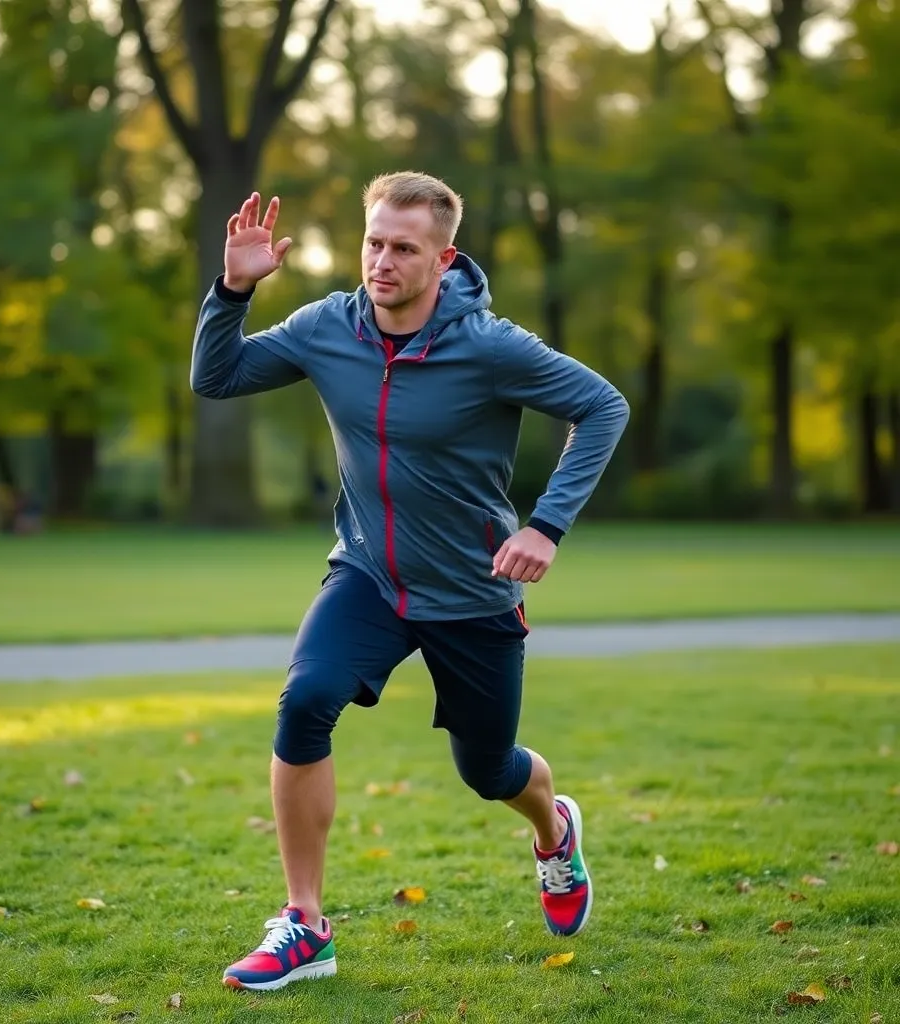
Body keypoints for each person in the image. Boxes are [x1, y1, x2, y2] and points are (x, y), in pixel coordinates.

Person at [191, 173, 630, 993]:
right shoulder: (329, 326)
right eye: (373, 242)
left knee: (490, 771)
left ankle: (555, 831)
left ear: (444, 257)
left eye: (403, 248)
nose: (381, 262)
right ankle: (304, 924)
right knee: (305, 698)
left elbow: (603, 407)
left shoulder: (492, 346)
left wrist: (546, 524)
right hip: (370, 573)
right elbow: (218, 379)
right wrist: (232, 290)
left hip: (473, 589)